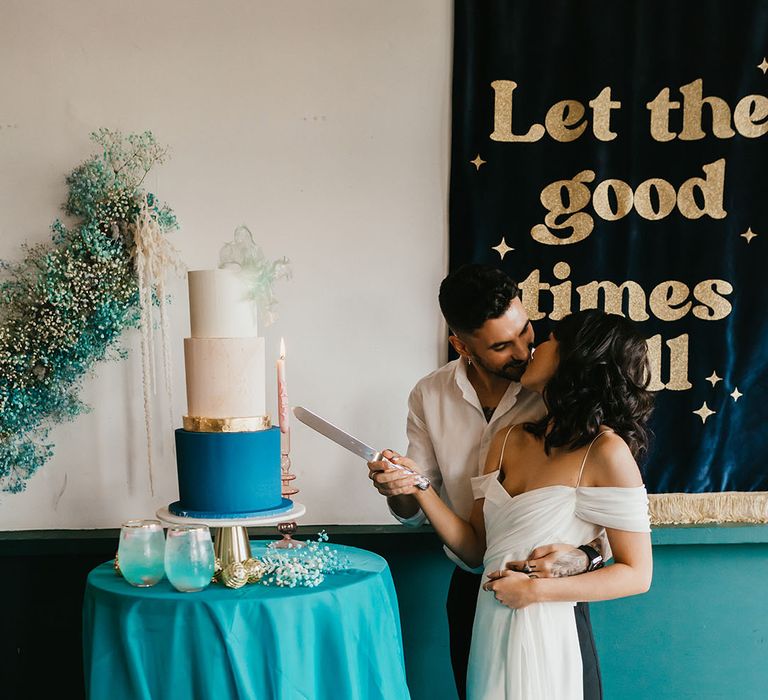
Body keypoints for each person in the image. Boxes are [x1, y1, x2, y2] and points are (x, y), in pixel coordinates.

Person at [374, 309, 654, 699]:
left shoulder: (606, 451)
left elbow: (638, 574)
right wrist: (418, 485)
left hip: (552, 628)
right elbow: (476, 549)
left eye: (550, 339)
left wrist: (536, 593)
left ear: (574, 359)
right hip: (491, 624)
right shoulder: (506, 439)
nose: (535, 347)